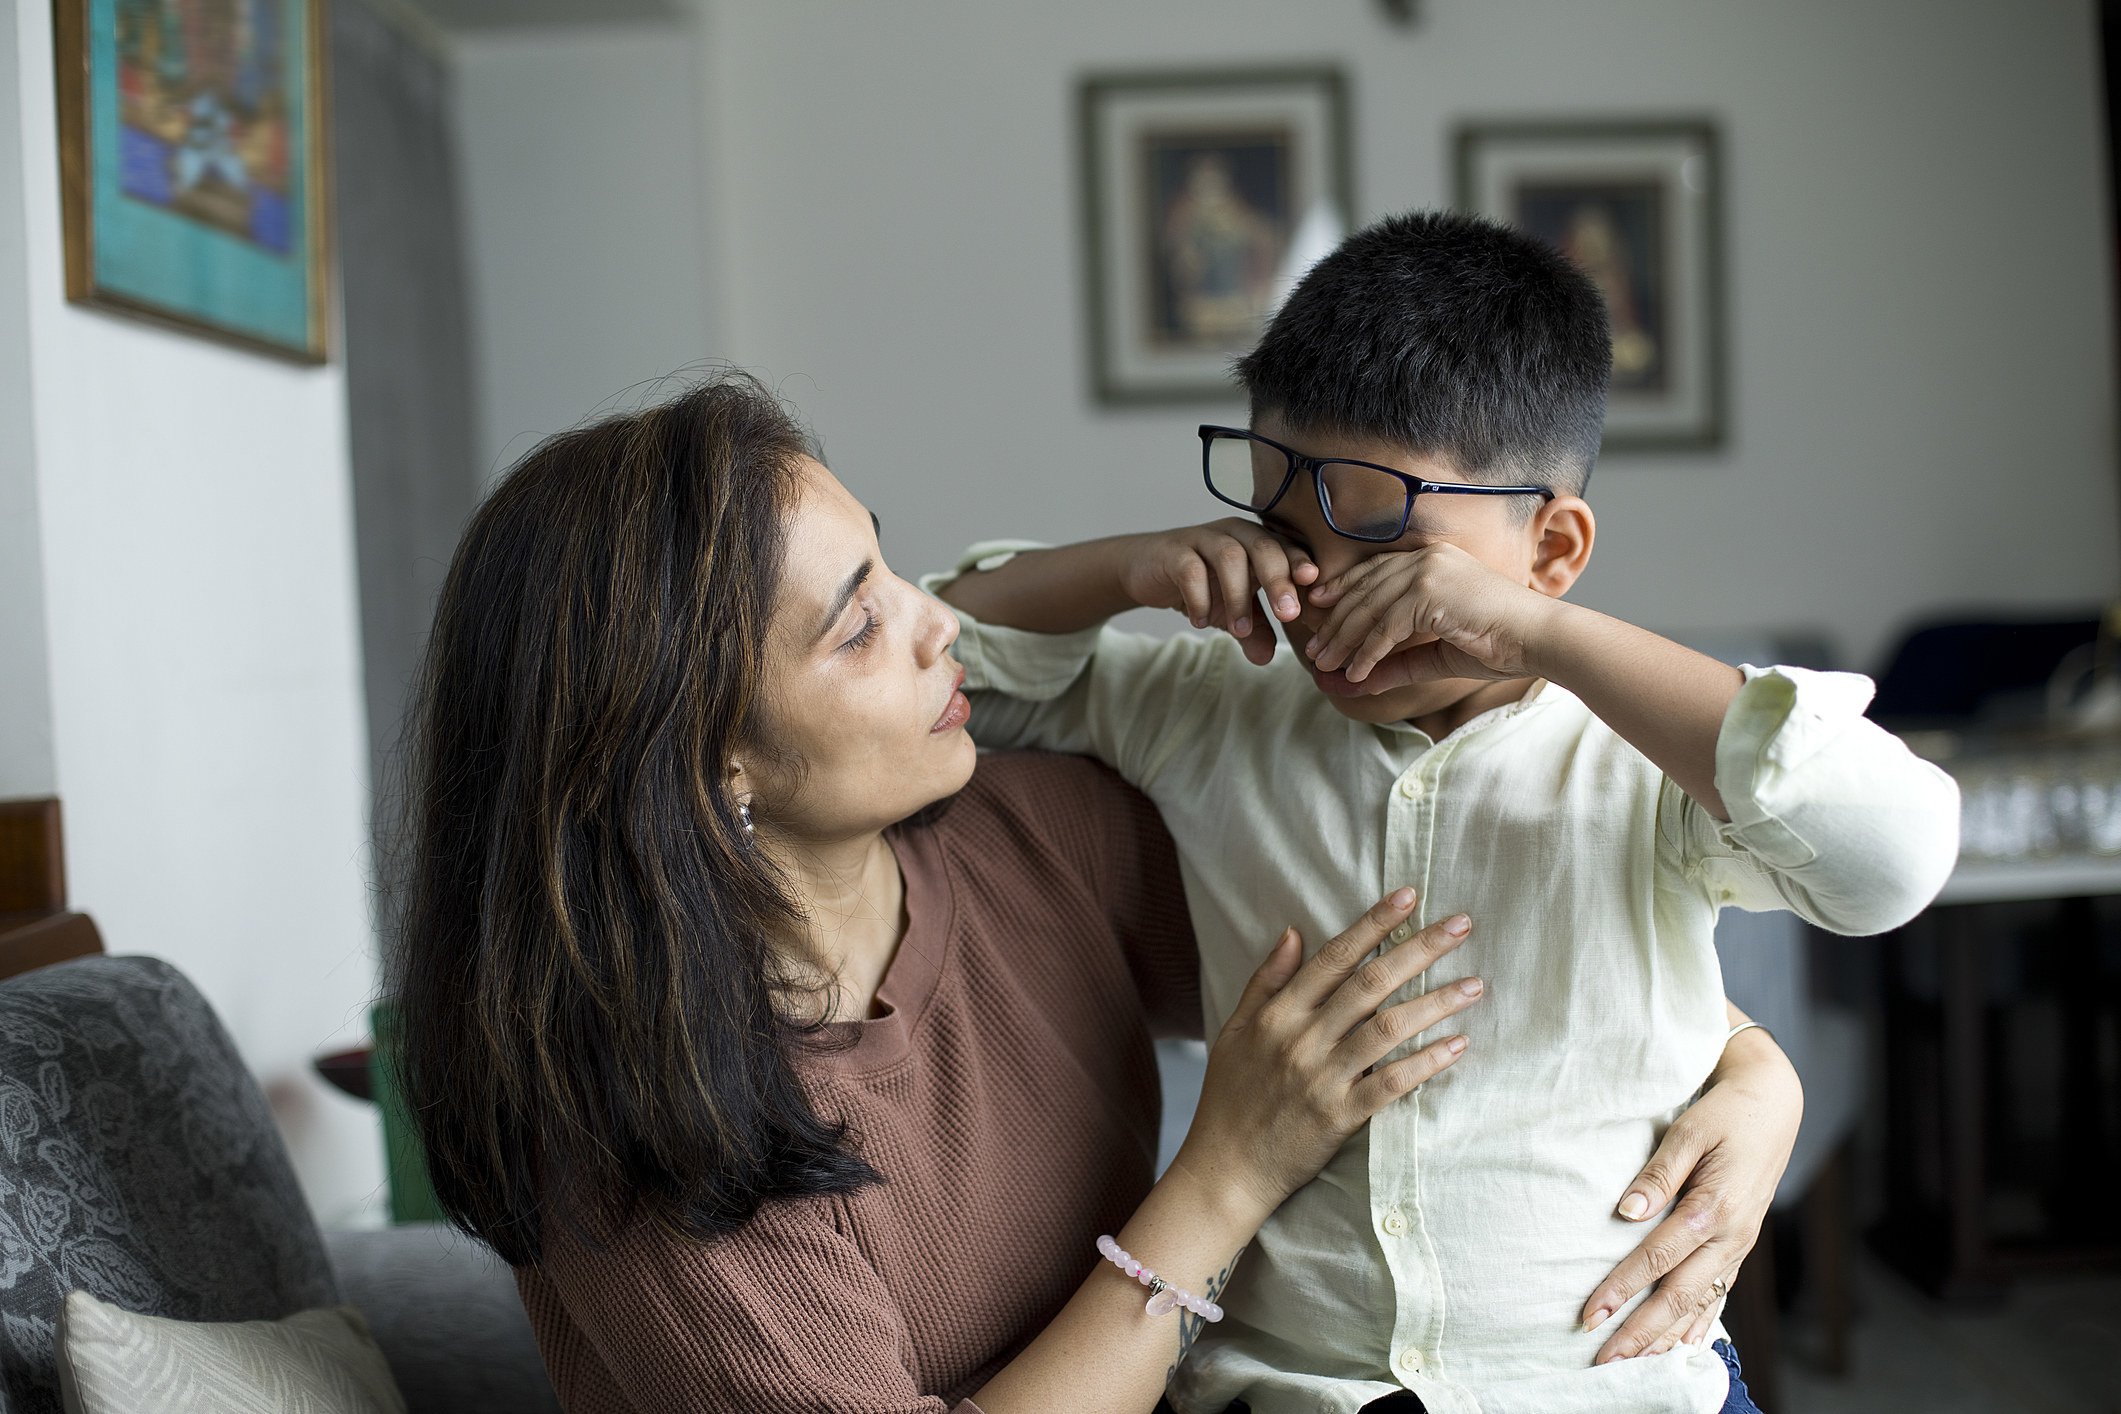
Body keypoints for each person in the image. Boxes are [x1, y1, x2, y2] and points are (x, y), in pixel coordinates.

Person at [389, 371, 1804, 1414]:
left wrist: (1746, 1063)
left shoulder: (1026, 838)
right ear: (710, 766)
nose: (941, 621)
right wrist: (1228, 1169)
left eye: (887, 561)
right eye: (861, 622)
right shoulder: (642, 1142)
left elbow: (1426, 939)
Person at [935, 211, 1959, 1414]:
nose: (1313, 594)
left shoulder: (1638, 756)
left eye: (1383, 549)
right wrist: (1126, 570)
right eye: (1282, 534)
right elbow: (942, 659)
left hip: (1614, 1389)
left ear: (1552, 549)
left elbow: (1894, 859)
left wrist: (1538, 638)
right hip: (1289, 1388)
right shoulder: (1209, 700)